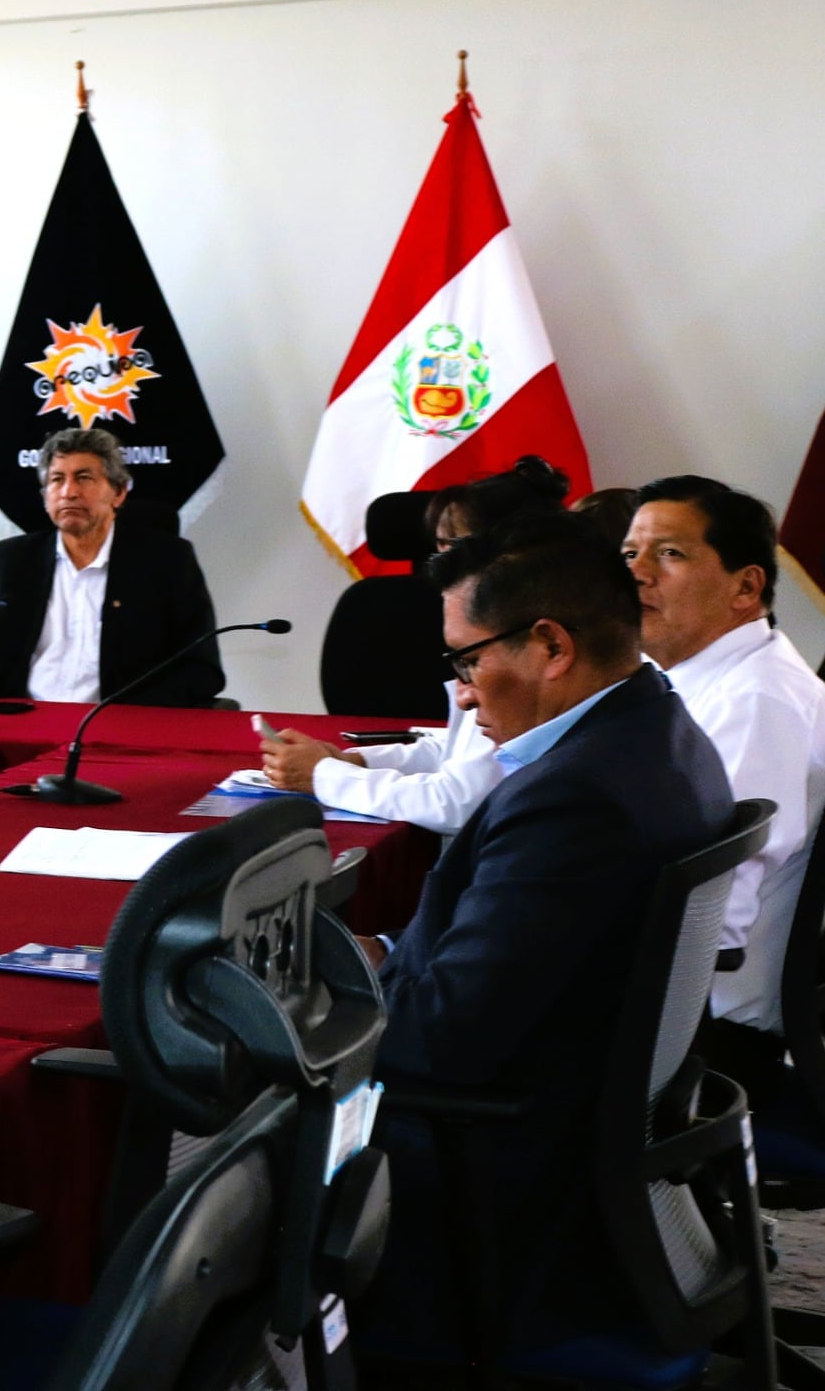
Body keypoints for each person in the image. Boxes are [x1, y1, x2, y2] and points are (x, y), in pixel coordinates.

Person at [359, 513, 735, 1363]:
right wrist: (380, 952)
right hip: (584, 1125)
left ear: (550, 647)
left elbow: (437, 1043)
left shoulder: (577, 799)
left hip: (499, 1178)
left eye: (466, 661)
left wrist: (315, 996)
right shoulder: (652, 729)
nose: (458, 694)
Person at [622, 477, 825, 1060]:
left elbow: (712, 908)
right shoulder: (690, 682)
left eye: (670, 553)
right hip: (666, 996)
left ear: (745, 586)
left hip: (697, 1025)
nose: (638, 572)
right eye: (630, 553)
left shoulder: (757, 701)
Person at [263, 456, 572, 829]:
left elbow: (455, 802)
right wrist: (354, 762)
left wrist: (324, 776)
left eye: (458, 545)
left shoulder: (523, 645)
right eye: (439, 544)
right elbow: (459, 750)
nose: (441, 561)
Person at [0, 426, 219, 707]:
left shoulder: (167, 561)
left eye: (84, 478)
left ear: (118, 493)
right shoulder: (11, 561)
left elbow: (201, 670)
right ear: (44, 496)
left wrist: (129, 713)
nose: (68, 492)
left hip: (118, 730)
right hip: (25, 724)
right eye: (56, 480)